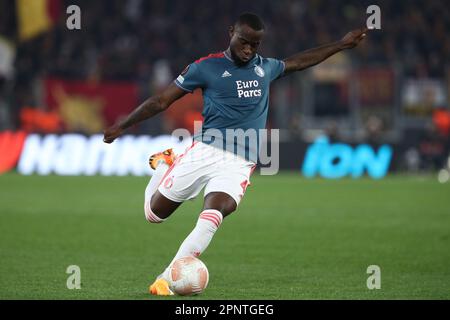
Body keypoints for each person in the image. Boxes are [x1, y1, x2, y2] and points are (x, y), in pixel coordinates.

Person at [103, 13, 368, 295]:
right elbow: (161, 100)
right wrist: (124, 124)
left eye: (255, 45)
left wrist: (340, 44)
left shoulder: (265, 68)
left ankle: (165, 279)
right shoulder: (205, 68)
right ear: (231, 32)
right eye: (244, 42)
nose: (249, 50)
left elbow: (301, 61)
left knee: (215, 213)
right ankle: (163, 165)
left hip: (239, 162)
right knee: (154, 215)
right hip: (203, 151)